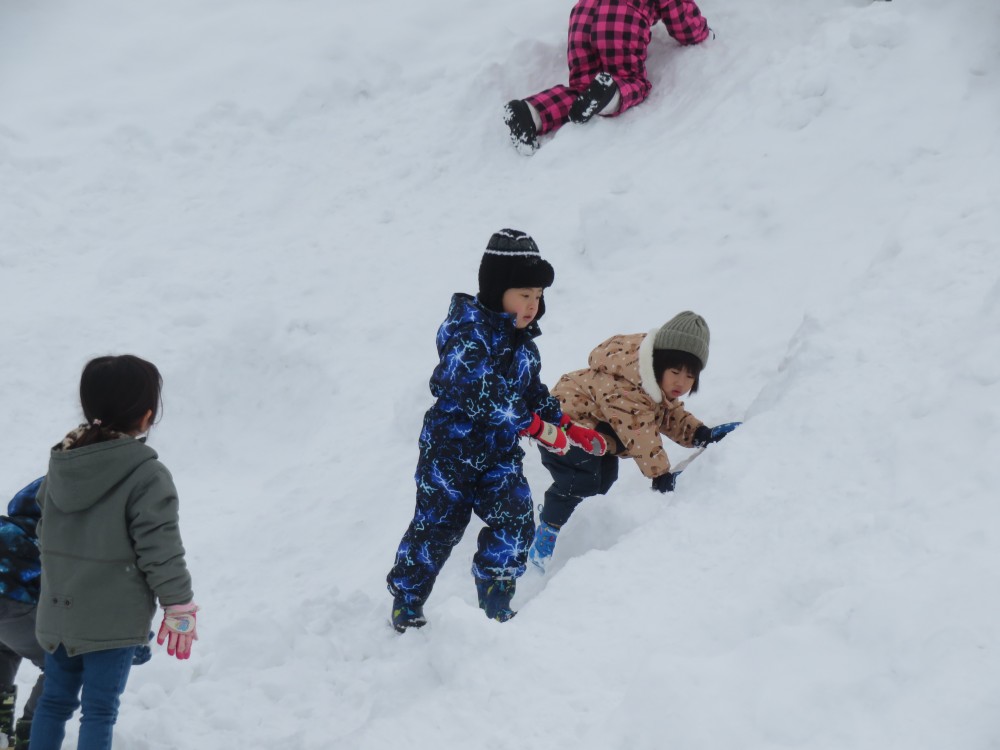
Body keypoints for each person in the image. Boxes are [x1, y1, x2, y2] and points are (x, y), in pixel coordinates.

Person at [386, 229, 607, 631]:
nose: (532, 305)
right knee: (438, 527)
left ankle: (496, 597)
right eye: (524, 294)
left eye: (538, 295)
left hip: (498, 454)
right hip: (449, 453)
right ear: (496, 290)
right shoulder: (466, 333)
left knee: (516, 518)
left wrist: (567, 426)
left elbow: (532, 392)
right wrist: (537, 428)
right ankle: (408, 599)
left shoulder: (524, 347)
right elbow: (483, 393)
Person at [30, 355, 199, 750]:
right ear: (147, 415)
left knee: (53, 703)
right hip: (112, 620)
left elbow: (43, 529)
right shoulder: (146, 474)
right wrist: (178, 605)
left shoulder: (62, 464)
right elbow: (160, 548)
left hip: (57, 614)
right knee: (99, 711)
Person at [527, 311, 740, 571]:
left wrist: (700, 434)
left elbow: (670, 415)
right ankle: (548, 530)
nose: (681, 382)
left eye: (690, 376)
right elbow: (639, 431)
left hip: (598, 432)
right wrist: (660, 475)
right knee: (581, 479)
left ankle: (577, 526)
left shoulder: (654, 383)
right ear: (660, 362)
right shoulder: (627, 385)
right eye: (675, 371)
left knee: (604, 479)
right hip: (564, 424)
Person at [504, 0, 711, 155]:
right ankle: (608, 93)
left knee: (581, 88)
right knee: (631, 80)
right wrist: (701, 33)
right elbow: (681, 16)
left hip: (581, 18)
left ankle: (530, 113)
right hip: (620, 19)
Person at [0, 477, 46, 748]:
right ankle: (32, 732)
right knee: (64, 663)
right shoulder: (45, 538)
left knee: (4, 646)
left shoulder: (7, 525)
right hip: (9, 603)